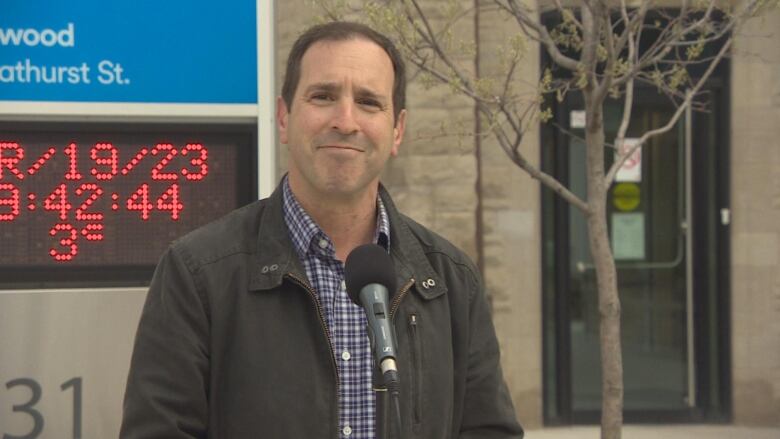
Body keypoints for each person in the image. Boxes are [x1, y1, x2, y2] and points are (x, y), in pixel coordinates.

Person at [120, 21, 523, 439]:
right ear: (283, 117)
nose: (345, 121)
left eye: (368, 102)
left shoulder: (451, 282)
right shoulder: (198, 273)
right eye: (323, 96)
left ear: (397, 130)